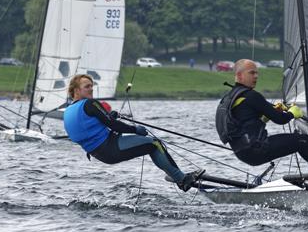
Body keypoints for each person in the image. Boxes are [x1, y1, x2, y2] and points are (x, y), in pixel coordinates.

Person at [63, 74, 204, 191]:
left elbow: (89, 126)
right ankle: (182, 180)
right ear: (76, 90)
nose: (91, 89)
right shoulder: (90, 103)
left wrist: (108, 116)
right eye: (87, 87)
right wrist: (135, 129)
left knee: (151, 146)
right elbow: (113, 125)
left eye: (92, 86)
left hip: (100, 154)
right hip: (110, 147)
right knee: (154, 144)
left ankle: (177, 175)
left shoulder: (68, 111)